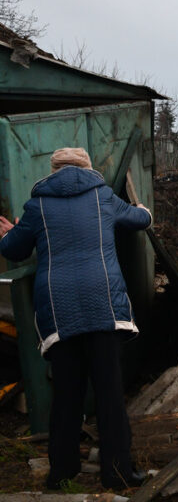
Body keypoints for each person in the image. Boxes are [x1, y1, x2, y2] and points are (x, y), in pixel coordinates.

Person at [0, 148, 151, 490]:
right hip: (104, 307)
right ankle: (118, 474)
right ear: (87, 168)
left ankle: (62, 474)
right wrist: (142, 209)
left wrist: (9, 233)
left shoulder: (37, 206)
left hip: (59, 311)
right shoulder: (103, 197)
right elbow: (139, 220)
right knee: (110, 395)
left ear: (53, 171)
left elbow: (13, 249)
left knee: (67, 397)